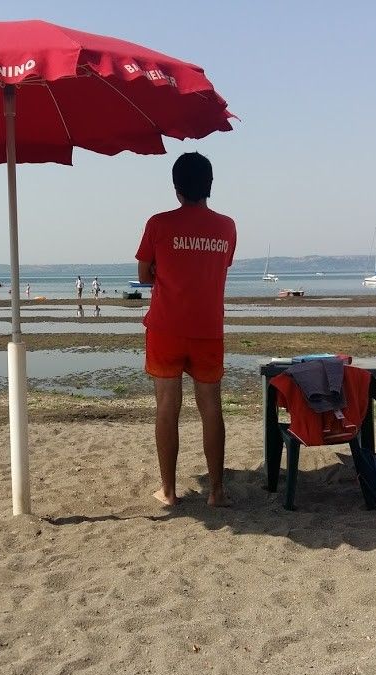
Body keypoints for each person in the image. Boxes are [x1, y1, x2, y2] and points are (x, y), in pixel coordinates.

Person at [135, 152, 236, 508]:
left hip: (166, 327)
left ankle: (169, 490)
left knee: (167, 406)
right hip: (208, 327)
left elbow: (144, 275)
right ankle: (217, 491)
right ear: (209, 186)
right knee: (211, 407)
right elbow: (219, 266)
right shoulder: (226, 227)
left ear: (176, 188)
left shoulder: (159, 224)